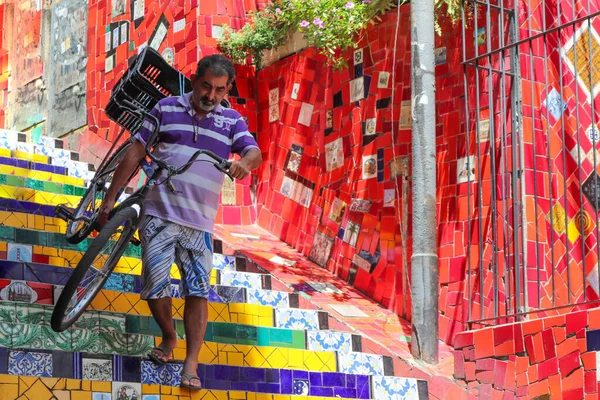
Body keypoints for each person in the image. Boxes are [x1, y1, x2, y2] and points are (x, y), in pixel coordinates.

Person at [97, 54, 262, 390]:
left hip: (199, 223)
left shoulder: (232, 121)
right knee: (154, 288)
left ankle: (190, 363)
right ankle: (169, 336)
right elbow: (136, 150)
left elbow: (253, 151)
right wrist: (110, 198)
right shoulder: (166, 108)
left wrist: (245, 162)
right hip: (159, 212)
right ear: (194, 79)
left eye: (219, 89)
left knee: (197, 291)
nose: (211, 95)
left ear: (227, 88)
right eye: (205, 86)